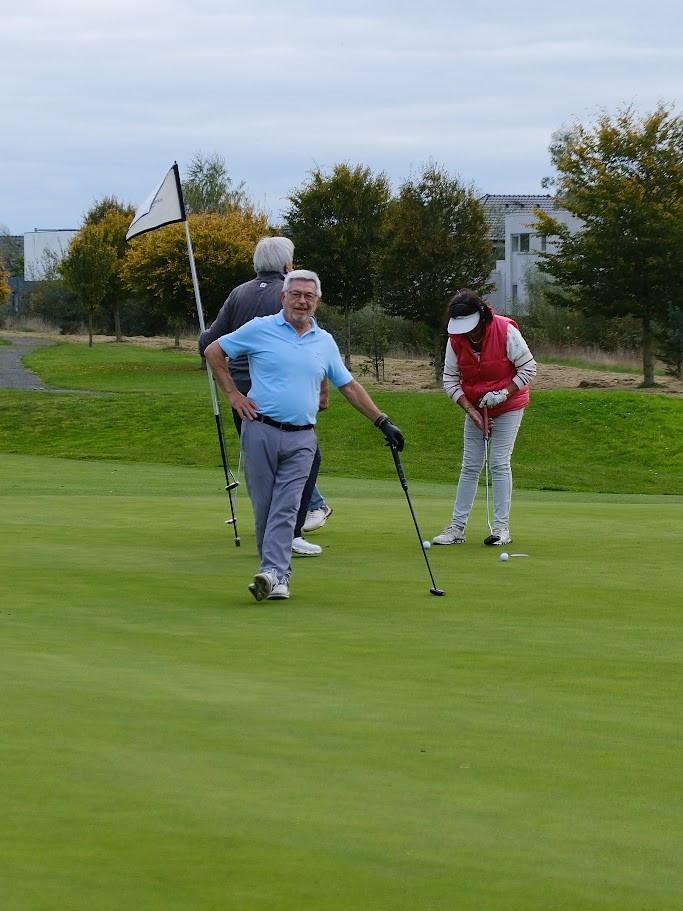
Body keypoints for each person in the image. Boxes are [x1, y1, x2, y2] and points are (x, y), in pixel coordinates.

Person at [203, 269, 404, 602]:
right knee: (265, 507)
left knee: (287, 506)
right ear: (283, 297)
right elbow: (213, 351)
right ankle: (277, 575)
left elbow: (349, 386)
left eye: (309, 296)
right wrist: (234, 395)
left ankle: (273, 574)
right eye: (295, 294)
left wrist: (382, 421)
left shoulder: (323, 341)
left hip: (302, 438)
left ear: (317, 301)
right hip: (260, 429)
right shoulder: (260, 328)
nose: (301, 301)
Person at [198, 236, 330, 557]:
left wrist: (228, 386)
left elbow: (208, 343)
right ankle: (292, 530)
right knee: (301, 457)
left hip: (241, 394)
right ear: (288, 267)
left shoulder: (238, 293)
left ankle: (296, 521)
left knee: (268, 465)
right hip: (275, 390)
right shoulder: (290, 295)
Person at [432, 288, 536, 547]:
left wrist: (503, 393)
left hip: (510, 405)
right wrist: (471, 410)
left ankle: (501, 529)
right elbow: (450, 380)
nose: (469, 333)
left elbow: (528, 368)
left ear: (481, 317)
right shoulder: (455, 339)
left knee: (499, 462)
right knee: (469, 466)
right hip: (476, 406)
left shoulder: (504, 330)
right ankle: (457, 528)